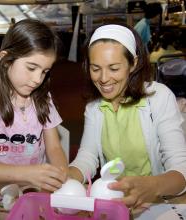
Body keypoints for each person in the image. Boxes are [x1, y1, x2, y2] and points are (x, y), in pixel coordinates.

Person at [69, 24, 186, 209]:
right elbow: (88, 156)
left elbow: (181, 170)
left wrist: (152, 186)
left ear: (133, 63)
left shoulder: (159, 98)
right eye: (95, 68)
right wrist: (66, 178)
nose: (104, 78)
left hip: (159, 202)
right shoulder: (94, 108)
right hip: (116, 202)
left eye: (114, 68)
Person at [0, 19, 68, 192]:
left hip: (34, 190)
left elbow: (55, 147)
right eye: (31, 67)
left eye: (44, 71)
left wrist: (61, 177)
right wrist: (29, 174)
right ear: (6, 60)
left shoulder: (44, 99)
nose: (38, 79)